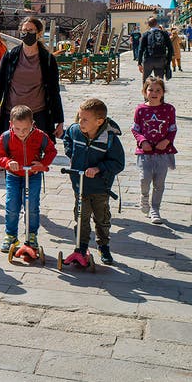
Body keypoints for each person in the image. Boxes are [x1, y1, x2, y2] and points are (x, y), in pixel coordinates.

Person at [62, 98, 125, 265]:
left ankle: (103, 245)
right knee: (81, 216)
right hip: (80, 184)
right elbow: (67, 138)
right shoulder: (75, 130)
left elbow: (118, 163)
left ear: (99, 121)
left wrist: (99, 168)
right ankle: (81, 247)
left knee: (101, 218)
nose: (80, 122)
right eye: (79, 117)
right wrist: (72, 154)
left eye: (85, 119)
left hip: (100, 187)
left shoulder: (109, 139)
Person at [0, 16, 64, 142]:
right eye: (24, 30)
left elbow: (54, 91)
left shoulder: (48, 60)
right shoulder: (10, 56)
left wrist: (59, 121)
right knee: (11, 156)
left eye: (31, 30)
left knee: (35, 157)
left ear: (39, 34)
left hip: (37, 116)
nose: (27, 33)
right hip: (12, 115)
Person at [0, 105, 56, 253]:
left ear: (32, 124)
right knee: (11, 206)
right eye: (17, 129)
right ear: (11, 125)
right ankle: (11, 235)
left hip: (33, 175)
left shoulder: (40, 136)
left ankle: (32, 235)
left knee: (32, 207)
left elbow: (51, 151)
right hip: (14, 176)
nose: (21, 133)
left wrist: (42, 164)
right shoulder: (6, 136)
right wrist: (8, 162)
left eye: (25, 129)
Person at [131, 76, 177, 224]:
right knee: (145, 179)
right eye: (151, 89)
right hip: (145, 153)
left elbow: (172, 129)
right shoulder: (140, 109)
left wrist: (167, 141)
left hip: (163, 153)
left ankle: (155, 209)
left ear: (163, 92)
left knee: (159, 183)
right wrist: (142, 141)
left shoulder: (169, 109)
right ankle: (144, 197)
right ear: (145, 92)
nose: (154, 93)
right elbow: (135, 129)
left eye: (158, 90)